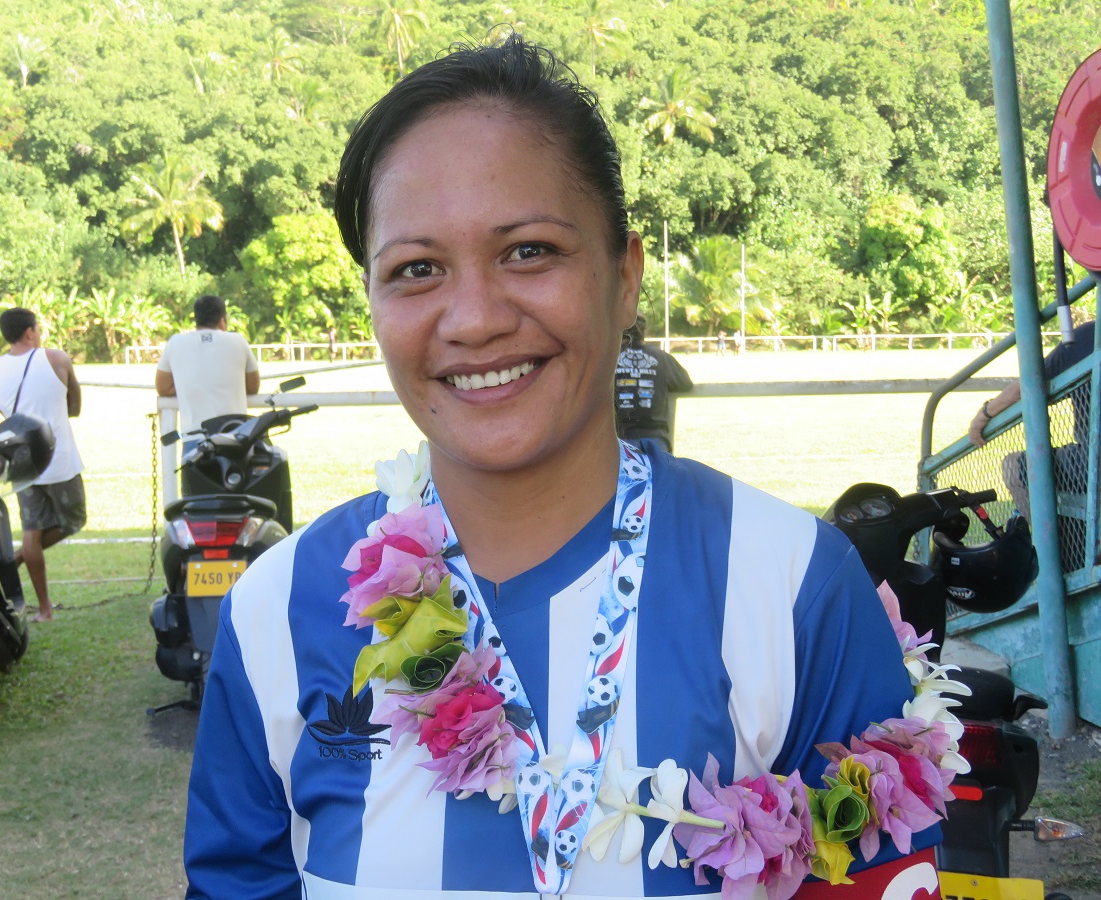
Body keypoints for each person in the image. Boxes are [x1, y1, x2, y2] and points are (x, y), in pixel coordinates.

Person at [185, 37, 946, 898]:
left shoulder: (792, 584)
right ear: (371, 301)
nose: (473, 319)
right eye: (417, 269)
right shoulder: (276, 613)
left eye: (529, 251)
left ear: (624, 277)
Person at [0, 308, 86, 622]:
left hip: (21, 461)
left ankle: (43, 609)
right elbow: (75, 407)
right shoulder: (56, 359)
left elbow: (6, 414)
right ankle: (19, 558)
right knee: (74, 520)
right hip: (58, 458)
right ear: (30, 332)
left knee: (32, 528)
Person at [969, 319, 1094, 567]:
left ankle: (1049, 556)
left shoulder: (1087, 336)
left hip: (1093, 464)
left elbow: (1027, 387)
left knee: (1013, 467)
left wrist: (984, 414)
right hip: (1087, 463)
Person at [155, 295, 260, 443]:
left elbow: (163, 387)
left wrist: (192, 385)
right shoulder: (238, 341)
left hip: (194, 439)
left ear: (197, 319)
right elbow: (253, 386)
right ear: (222, 321)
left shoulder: (175, 343)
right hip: (234, 438)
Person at [614, 312, 693, 453]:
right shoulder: (661, 358)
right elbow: (685, 383)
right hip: (655, 440)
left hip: (618, 441)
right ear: (644, 331)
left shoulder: (609, 358)